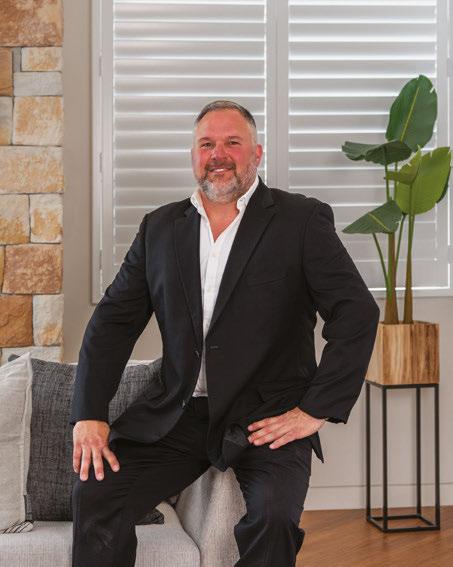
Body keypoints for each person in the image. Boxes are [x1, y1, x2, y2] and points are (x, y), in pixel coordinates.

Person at [70, 99, 380, 566]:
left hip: (268, 416)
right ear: (193, 156)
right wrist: (89, 413)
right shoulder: (160, 228)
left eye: (232, 142)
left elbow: (356, 312)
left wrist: (315, 410)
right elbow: (112, 323)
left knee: (273, 518)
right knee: (98, 490)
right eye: (206, 144)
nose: (218, 154)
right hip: (179, 414)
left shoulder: (300, 220)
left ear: (256, 153)